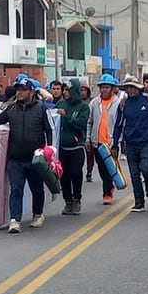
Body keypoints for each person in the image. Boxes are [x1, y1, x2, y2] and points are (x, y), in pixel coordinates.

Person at [0, 74, 52, 232]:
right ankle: (15, 219)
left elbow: (48, 130)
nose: (19, 93)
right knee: (16, 188)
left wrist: (48, 151)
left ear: (31, 92)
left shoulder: (40, 109)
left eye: (23, 90)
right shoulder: (11, 109)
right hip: (15, 158)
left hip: (35, 158)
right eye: (17, 90)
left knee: (37, 188)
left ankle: (38, 214)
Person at [114, 73, 148, 211]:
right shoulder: (124, 104)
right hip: (130, 142)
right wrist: (115, 144)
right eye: (127, 88)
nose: (129, 90)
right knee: (134, 174)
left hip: (146, 141)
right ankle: (139, 202)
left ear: (137, 88)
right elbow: (118, 125)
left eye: (131, 87)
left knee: (145, 169)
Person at [57, 78, 91, 215]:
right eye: (64, 90)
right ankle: (68, 201)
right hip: (62, 147)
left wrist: (67, 117)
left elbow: (81, 124)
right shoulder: (60, 103)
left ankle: (77, 198)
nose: (65, 93)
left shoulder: (83, 107)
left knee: (75, 173)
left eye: (68, 90)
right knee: (63, 175)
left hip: (77, 146)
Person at [88, 74, 124, 206]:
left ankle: (107, 193)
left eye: (107, 87)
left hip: (112, 143)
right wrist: (88, 139)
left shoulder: (118, 104)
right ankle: (109, 186)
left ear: (112, 88)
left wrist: (118, 141)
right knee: (102, 169)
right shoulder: (94, 103)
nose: (104, 90)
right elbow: (89, 122)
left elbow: (121, 124)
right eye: (102, 87)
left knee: (110, 168)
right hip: (98, 142)